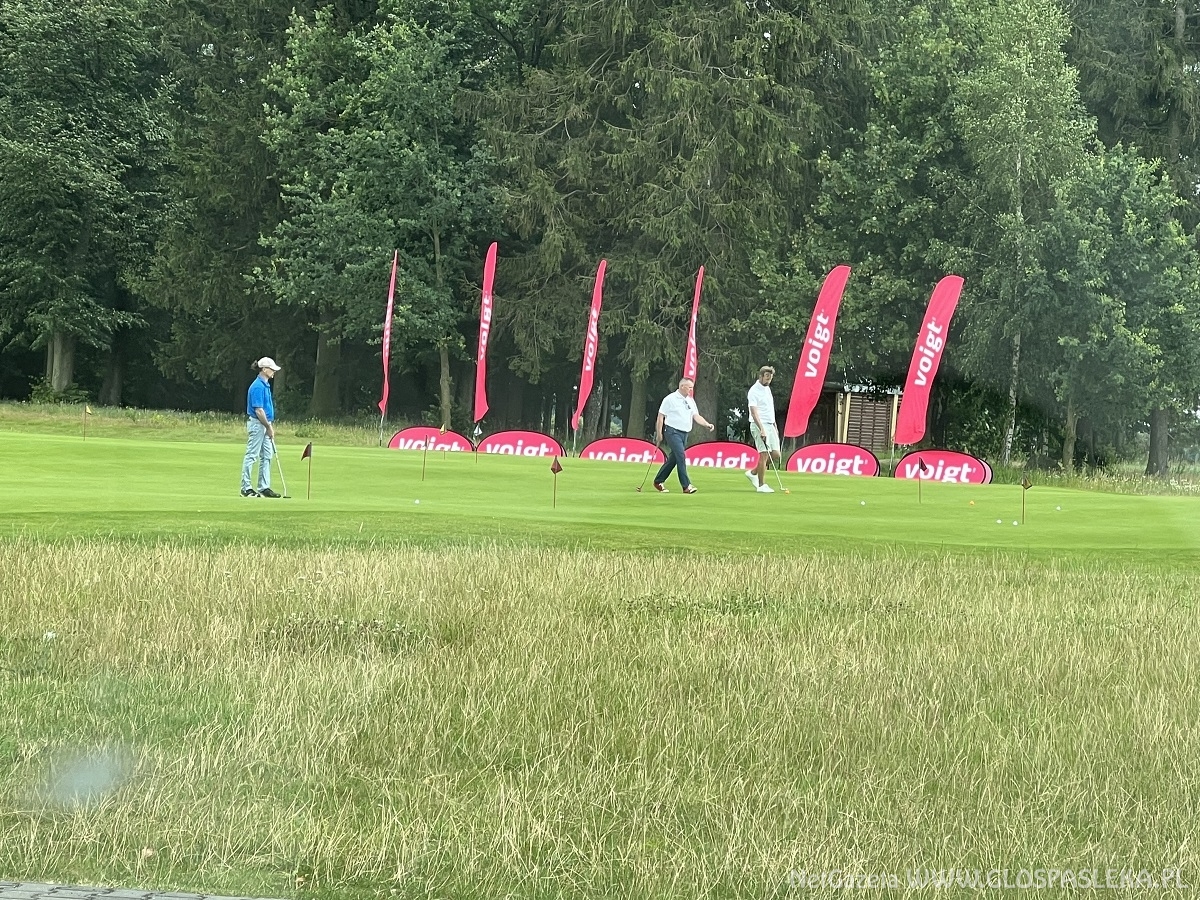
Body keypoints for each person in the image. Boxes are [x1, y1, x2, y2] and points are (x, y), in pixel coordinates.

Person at [653, 377, 715, 493]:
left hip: (684, 433)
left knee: (674, 458)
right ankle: (686, 486)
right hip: (672, 431)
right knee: (681, 456)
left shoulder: (690, 400)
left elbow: (696, 416)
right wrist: (659, 434)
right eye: (689, 387)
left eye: (692, 387)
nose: (691, 390)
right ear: (682, 386)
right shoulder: (670, 399)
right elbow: (661, 416)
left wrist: (707, 424)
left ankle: (658, 481)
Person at [241, 357, 282, 498]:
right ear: (264, 369)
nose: (274, 372)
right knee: (252, 455)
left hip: (265, 423)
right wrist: (268, 427)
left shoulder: (265, 385)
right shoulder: (257, 386)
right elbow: (259, 410)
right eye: (272, 369)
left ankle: (264, 487)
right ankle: (246, 488)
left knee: (267, 456)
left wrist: (268, 425)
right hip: (258, 424)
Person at [745, 365, 780, 493]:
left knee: (776, 454)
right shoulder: (754, 391)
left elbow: (769, 409)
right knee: (764, 454)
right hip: (759, 425)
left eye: (770, 378)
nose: (768, 380)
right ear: (760, 376)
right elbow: (754, 413)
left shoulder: (767, 389)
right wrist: (762, 429)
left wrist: (774, 425)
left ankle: (753, 472)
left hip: (770, 424)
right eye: (767, 377)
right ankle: (761, 485)